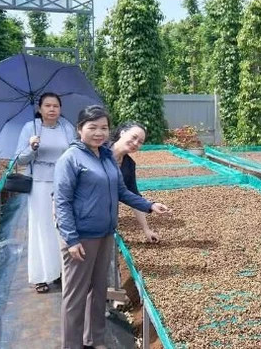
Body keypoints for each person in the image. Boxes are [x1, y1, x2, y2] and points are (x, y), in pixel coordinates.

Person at [54, 106, 170, 349]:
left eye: (103, 128)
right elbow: (61, 202)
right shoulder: (71, 159)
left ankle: (94, 339)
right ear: (80, 129)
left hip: (105, 234)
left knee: (98, 293)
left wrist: (149, 205)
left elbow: (121, 192)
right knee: (75, 297)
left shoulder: (106, 157)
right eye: (92, 127)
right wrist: (71, 239)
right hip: (81, 238)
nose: (99, 132)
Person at [15, 92, 75, 294]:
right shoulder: (30, 128)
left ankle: (59, 272)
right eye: (47, 106)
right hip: (40, 184)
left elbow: (75, 152)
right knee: (41, 228)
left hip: (64, 183)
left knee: (62, 227)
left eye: (55, 106)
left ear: (60, 109)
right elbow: (19, 160)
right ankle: (40, 276)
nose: (51, 109)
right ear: (40, 109)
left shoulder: (67, 128)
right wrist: (31, 147)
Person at [111, 121, 160, 242]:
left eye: (140, 142)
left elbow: (133, 196)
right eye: (134, 137)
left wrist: (146, 229)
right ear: (122, 133)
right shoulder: (99, 151)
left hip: (108, 219)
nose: (136, 143)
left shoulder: (129, 165)